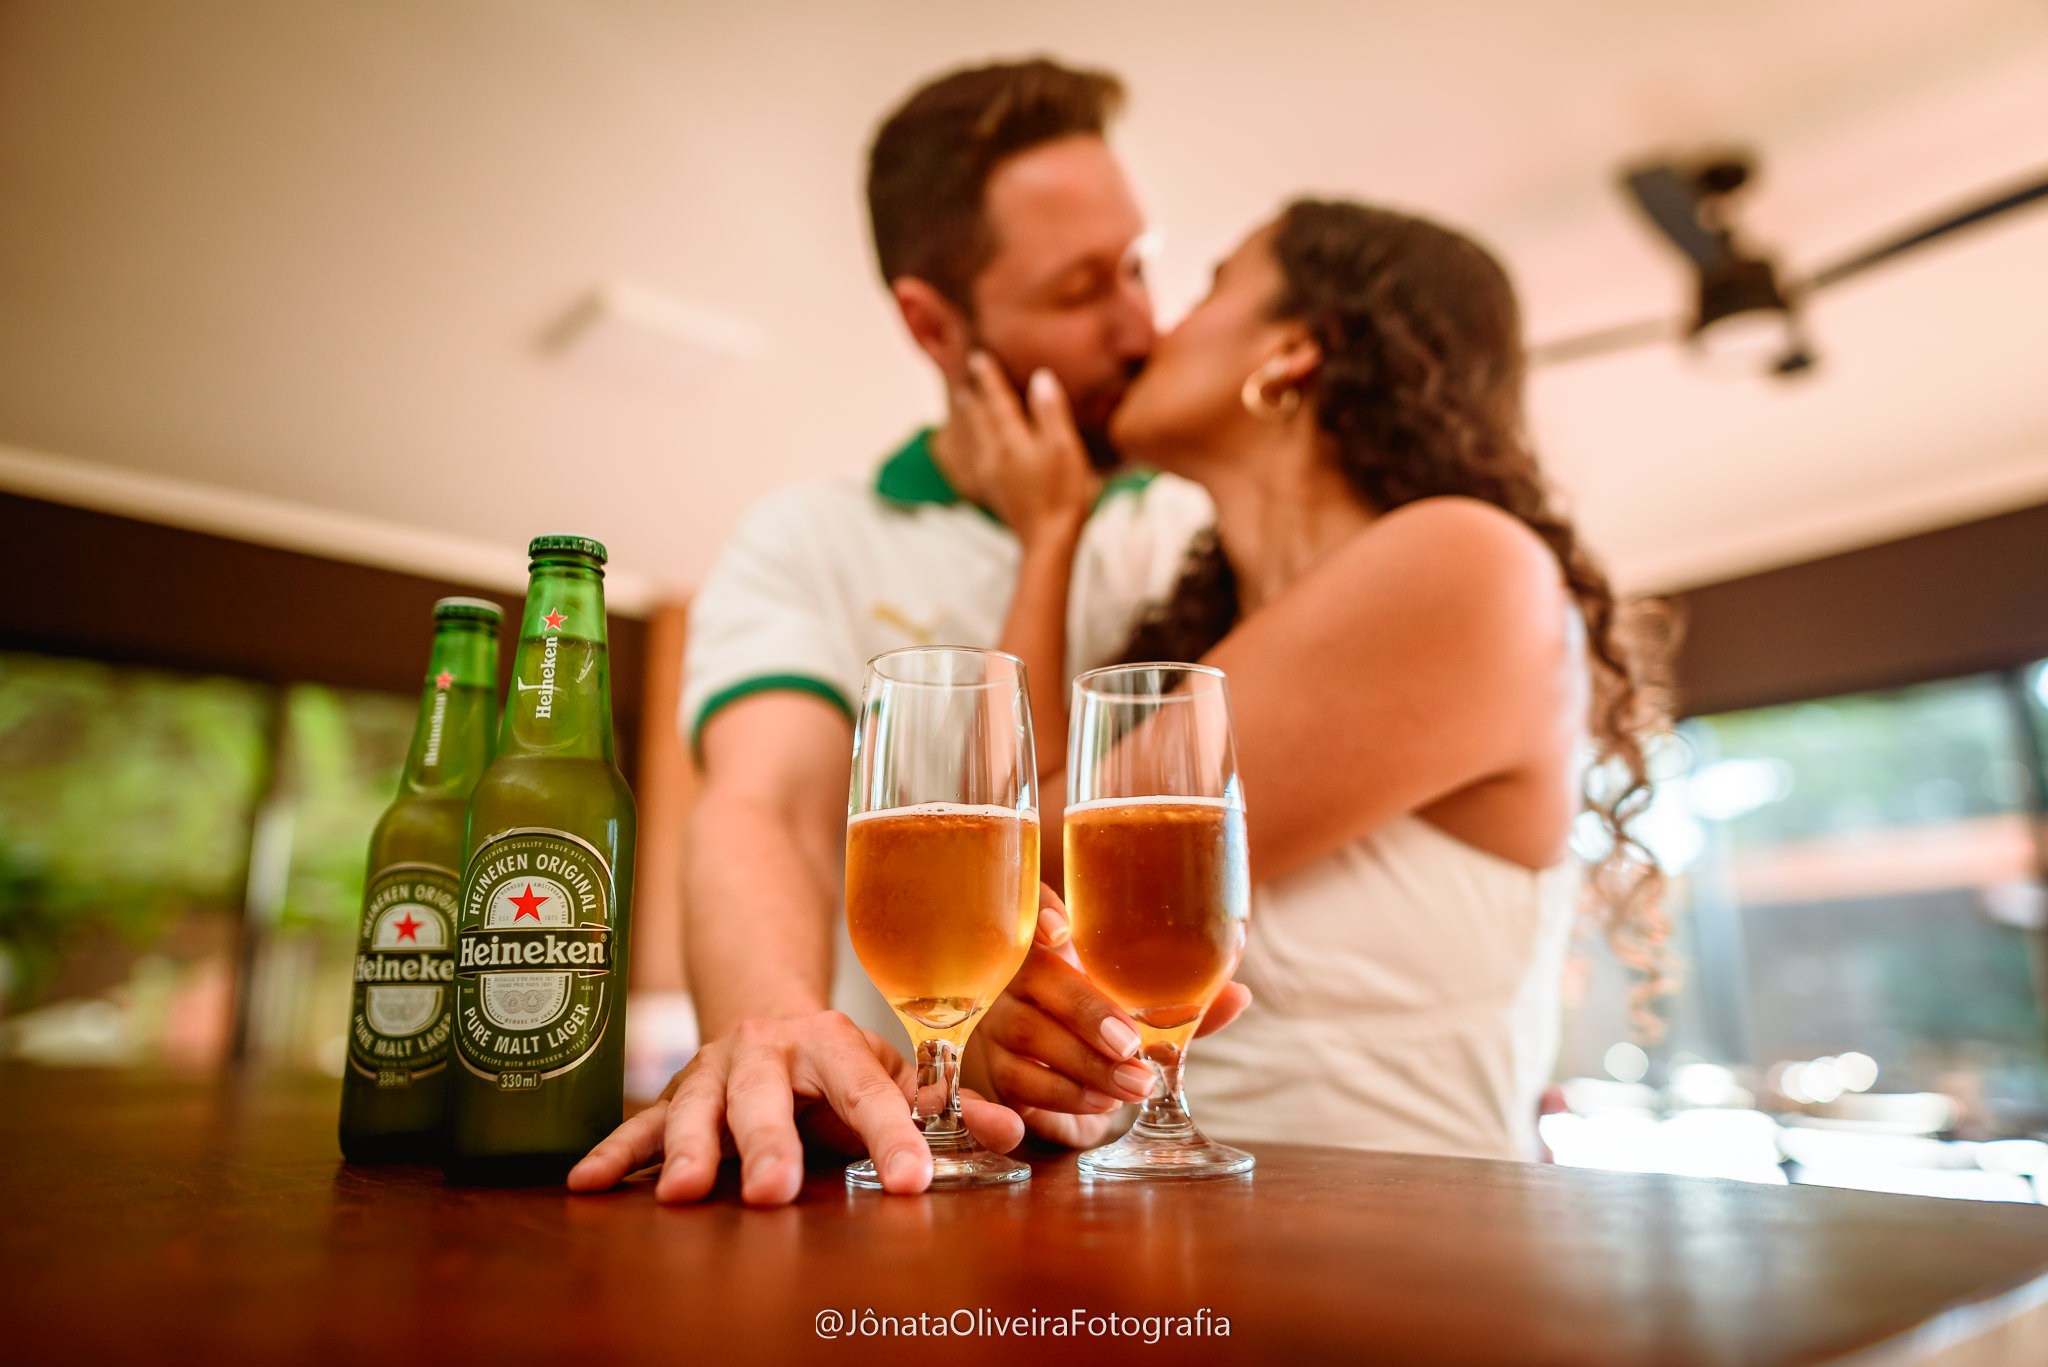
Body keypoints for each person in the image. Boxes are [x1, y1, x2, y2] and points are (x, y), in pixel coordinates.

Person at [567, 58, 1241, 1206]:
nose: (1141, 324)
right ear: (934, 324)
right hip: (910, 1179)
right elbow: (763, 804)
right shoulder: (808, 537)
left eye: (1138, 264)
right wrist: (774, 1020)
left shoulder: (1206, 521)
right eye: (1082, 289)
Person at [959, 199, 1676, 1161]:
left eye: (1211, 287)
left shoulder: (1464, 562)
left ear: (1296, 350)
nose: (1155, 330)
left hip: (1409, 1258)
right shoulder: (1232, 641)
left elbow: (1022, 858)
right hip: (1199, 1240)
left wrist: (1048, 535)